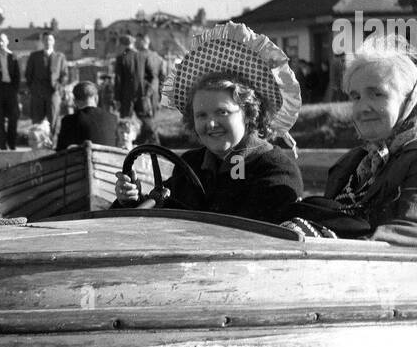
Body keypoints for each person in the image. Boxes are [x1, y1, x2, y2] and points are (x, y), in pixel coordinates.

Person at [114, 21, 304, 223]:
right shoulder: (190, 165)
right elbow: (163, 215)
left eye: (222, 112)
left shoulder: (276, 170)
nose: (211, 124)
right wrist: (133, 199)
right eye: (201, 115)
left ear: (249, 113)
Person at [286, 41, 417, 245]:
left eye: (377, 94)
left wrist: (325, 239)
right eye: (355, 97)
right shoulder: (352, 164)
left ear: (410, 100)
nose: (363, 107)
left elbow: (412, 231)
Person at [56, 81, 120, 150]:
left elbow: (60, 150)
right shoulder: (112, 118)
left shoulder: (68, 121)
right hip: (107, 160)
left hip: (80, 160)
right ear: (96, 98)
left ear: (75, 102)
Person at [26, 30, 69, 130]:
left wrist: (58, 87)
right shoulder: (34, 56)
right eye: (45, 40)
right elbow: (28, 75)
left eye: (49, 39)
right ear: (42, 41)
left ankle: (53, 144)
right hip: (38, 93)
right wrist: (33, 89)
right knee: (37, 121)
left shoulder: (60, 57)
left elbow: (64, 75)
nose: (47, 42)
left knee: (54, 120)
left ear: (53, 41)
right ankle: (38, 143)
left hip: (53, 92)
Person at [112, 34, 150, 122]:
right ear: (132, 43)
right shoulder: (142, 56)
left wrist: (117, 98)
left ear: (122, 45)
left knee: (126, 120)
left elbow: (118, 79)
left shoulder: (121, 58)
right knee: (143, 119)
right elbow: (147, 76)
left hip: (126, 95)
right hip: (141, 93)